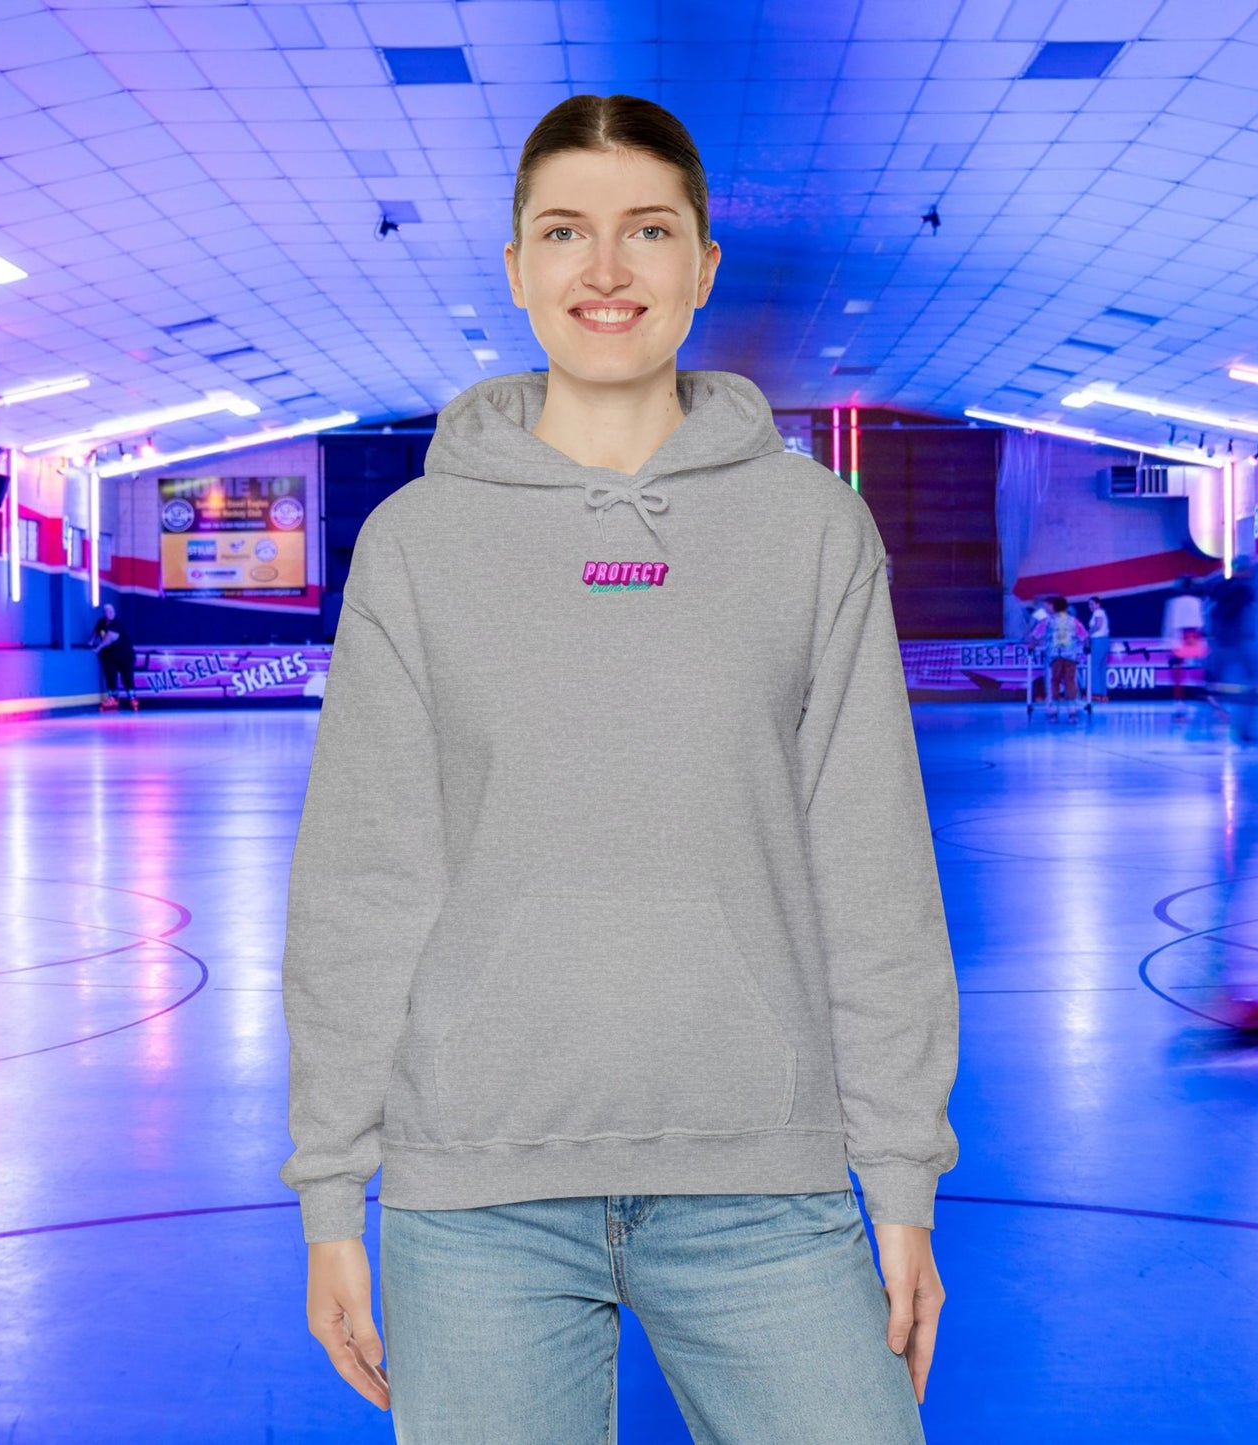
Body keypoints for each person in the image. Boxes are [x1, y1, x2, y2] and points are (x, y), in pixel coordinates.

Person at [278, 94, 958, 1445]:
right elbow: (365, 881)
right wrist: (329, 1191)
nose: (605, 269)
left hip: (765, 1187)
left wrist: (899, 1179)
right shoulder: (417, 546)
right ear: (519, 266)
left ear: (702, 266)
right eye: (564, 232)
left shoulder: (812, 532)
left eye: (647, 230)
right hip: (474, 1201)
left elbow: (870, 872)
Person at [1205, 557, 1258, 743]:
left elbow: (1210, 611)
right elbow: (1249, 608)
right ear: (1244, 570)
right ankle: (1244, 730)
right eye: (1249, 569)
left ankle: (1215, 707)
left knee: (1215, 682)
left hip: (1219, 643)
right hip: (1236, 643)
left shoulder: (1218, 586)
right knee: (1253, 683)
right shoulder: (1244, 589)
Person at [1029, 596, 1088, 721]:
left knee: (1054, 682)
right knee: (1070, 682)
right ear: (1066, 607)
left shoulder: (1047, 621)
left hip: (1054, 657)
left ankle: (1054, 713)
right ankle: (1072, 712)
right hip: (1070, 656)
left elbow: (1035, 636)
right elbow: (1085, 636)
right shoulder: (1074, 621)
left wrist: (1032, 647)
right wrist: (1086, 648)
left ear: (1054, 607)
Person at [1161, 576, 1208, 720]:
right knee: (1197, 670)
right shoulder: (1196, 602)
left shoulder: (1175, 603)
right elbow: (1202, 623)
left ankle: (1180, 702)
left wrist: (1167, 642)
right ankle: (1199, 697)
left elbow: (1169, 624)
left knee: (1178, 673)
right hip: (1191, 638)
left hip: (1182, 639)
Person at [88, 602, 137, 712]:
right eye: (106, 611)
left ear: (114, 612)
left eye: (111, 611)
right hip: (110, 655)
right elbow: (96, 631)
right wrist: (91, 642)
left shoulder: (117, 623)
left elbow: (109, 637)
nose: (109, 613)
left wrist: (99, 647)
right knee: (110, 676)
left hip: (125, 654)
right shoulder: (101, 622)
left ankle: (132, 698)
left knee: (127, 676)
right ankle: (113, 698)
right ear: (104, 613)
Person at [1086, 595, 1111, 703]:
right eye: (1089, 604)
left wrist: (1087, 633)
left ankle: (1096, 694)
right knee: (1101, 668)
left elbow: (1098, 625)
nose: (1089, 606)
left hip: (1098, 641)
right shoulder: (1102, 612)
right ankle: (1103, 694)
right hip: (1104, 641)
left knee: (1095, 667)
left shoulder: (1098, 612)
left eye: (1092, 604)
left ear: (1098, 604)